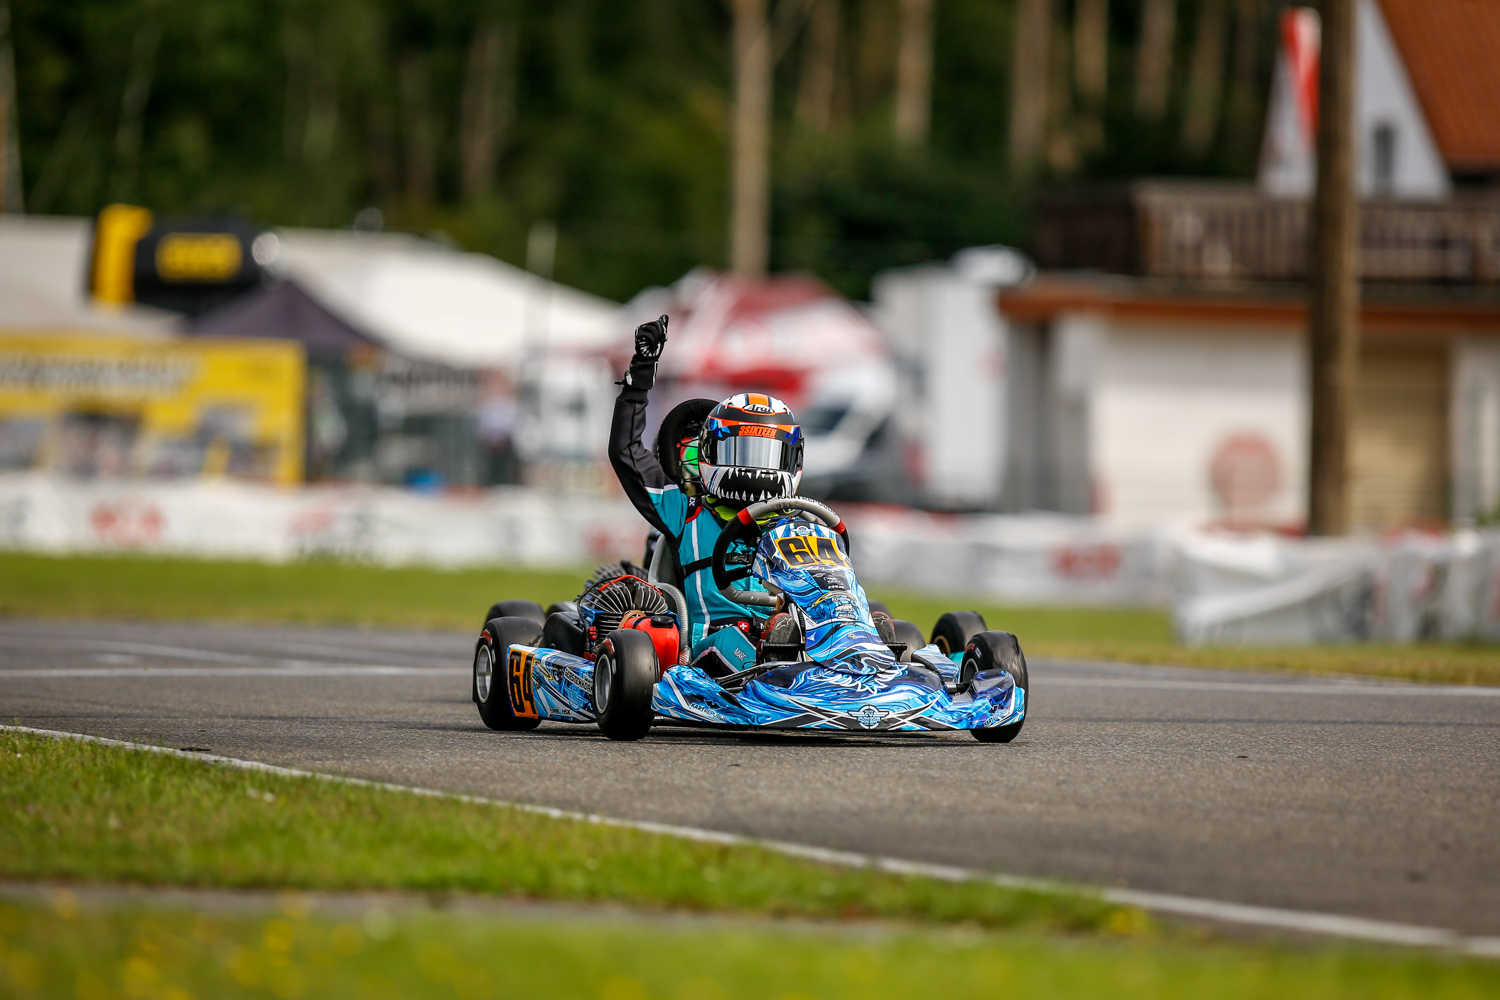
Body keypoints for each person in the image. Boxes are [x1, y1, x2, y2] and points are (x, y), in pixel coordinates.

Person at [608, 315, 805, 675]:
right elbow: (627, 453)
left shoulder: (798, 525)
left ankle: (858, 658)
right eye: (742, 453)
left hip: (794, 636)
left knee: (863, 619)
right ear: (711, 453)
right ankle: (781, 671)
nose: (754, 468)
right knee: (734, 644)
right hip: (706, 643)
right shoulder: (684, 512)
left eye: (765, 455)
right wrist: (639, 378)